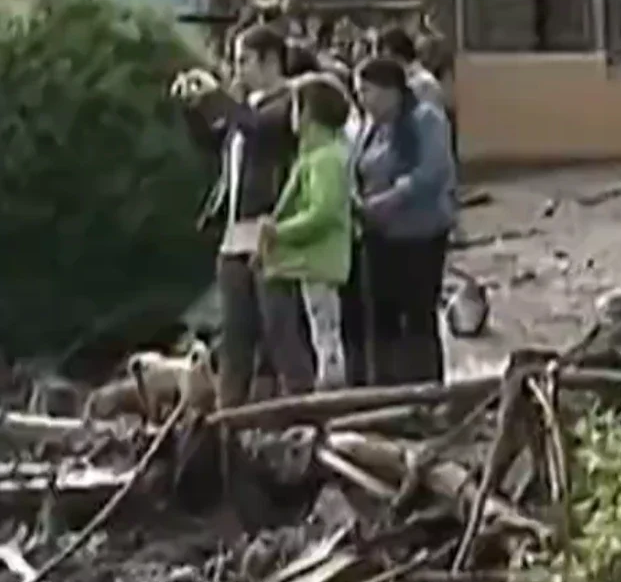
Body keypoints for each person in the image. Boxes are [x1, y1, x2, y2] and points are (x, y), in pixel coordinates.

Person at [173, 24, 300, 408]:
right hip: (233, 230)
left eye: (244, 60)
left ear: (270, 61)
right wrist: (194, 108)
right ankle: (231, 410)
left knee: (279, 328)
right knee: (234, 330)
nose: (237, 68)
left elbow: (262, 131)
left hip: (269, 227)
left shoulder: (289, 102)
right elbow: (216, 141)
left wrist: (218, 97)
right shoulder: (247, 108)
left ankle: (297, 406)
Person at [348, 57, 458, 386]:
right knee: (380, 318)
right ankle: (385, 387)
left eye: (366, 91)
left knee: (418, 317)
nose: (362, 100)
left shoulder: (425, 120)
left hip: (419, 235)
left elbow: (434, 170)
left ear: (390, 91)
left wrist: (392, 198)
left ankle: (425, 389)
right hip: (378, 236)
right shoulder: (369, 128)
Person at [260, 77, 354, 389]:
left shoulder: (326, 159)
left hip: (320, 259)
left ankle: (332, 389)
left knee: (325, 332)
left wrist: (279, 233)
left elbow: (323, 212)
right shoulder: (313, 155)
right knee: (319, 329)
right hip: (311, 259)